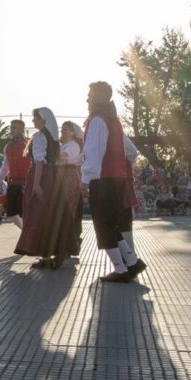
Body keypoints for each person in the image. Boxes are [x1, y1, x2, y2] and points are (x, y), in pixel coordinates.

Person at [81, 81, 146, 283]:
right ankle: (131, 263)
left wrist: (85, 179)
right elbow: (131, 152)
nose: (87, 98)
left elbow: (92, 153)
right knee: (109, 225)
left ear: (97, 97)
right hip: (117, 179)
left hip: (103, 180)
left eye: (90, 94)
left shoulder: (97, 120)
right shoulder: (114, 121)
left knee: (103, 225)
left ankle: (123, 268)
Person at [14, 108, 75, 269]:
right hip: (53, 176)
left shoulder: (40, 136)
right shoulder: (53, 138)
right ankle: (54, 251)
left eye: (35, 118)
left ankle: (46, 255)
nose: (33, 121)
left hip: (41, 175)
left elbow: (39, 162)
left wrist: (36, 184)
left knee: (36, 214)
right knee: (50, 214)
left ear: (43, 120)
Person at [0, 120, 31, 229]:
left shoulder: (29, 144)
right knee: (11, 213)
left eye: (14, 127)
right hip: (13, 183)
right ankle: (25, 231)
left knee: (24, 212)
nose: (12, 130)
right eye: (11, 127)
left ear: (22, 129)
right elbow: (5, 164)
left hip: (27, 182)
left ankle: (27, 234)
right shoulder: (8, 146)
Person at [59, 121, 84, 257]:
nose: (63, 131)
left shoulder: (73, 145)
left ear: (73, 132)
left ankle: (72, 244)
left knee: (70, 209)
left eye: (66, 129)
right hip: (61, 177)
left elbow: (62, 159)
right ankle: (68, 244)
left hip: (69, 176)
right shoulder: (62, 145)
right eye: (62, 129)